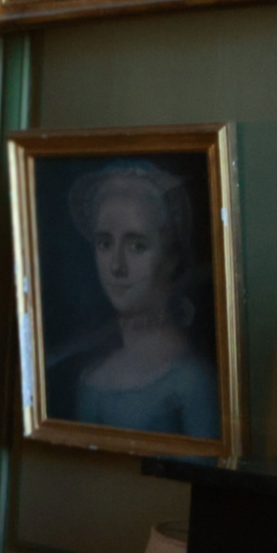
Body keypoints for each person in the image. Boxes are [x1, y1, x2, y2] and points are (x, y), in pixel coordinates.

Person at [53, 159, 220, 438]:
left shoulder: (191, 382)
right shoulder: (92, 376)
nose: (117, 266)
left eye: (137, 246)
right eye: (105, 244)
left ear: (170, 258)